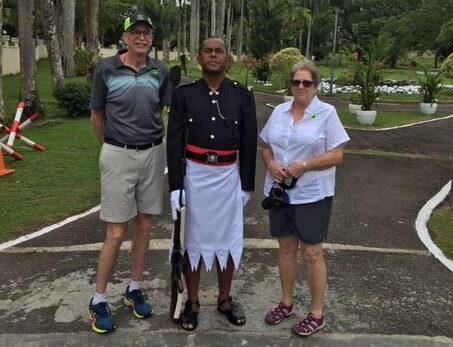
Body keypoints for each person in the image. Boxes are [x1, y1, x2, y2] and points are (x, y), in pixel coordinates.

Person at [167, 36, 257, 331]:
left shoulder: (241, 96)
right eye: (208, 51)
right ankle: (192, 302)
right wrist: (176, 186)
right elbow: (175, 142)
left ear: (226, 58)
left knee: (227, 242)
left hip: (228, 177)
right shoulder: (184, 96)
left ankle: (224, 300)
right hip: (195, 176)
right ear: (199, 57)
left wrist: (246, 184)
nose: (214, 55)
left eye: (219, 51)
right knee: (191, 242)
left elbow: (248, 142)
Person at [88, 13, 170, 334]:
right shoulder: (107, 69)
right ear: (124, 38)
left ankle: (133, 288)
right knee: (117, 231)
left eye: (146, 33)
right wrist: (111, 147)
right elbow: (97, 115)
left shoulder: (159, 71)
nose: (141, 37)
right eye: (135, 32)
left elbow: (160, 110)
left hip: (152, 153)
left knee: (146, 224)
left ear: (151, 38)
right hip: (117, 153)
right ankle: (98, 299)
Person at [260, 60, 349, 337]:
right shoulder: (279, 112)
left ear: (315, 86)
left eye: (306, 83)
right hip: (280, 193)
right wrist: (271, 164)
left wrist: (305, 165)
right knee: (286, 249)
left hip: (312, 194)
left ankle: (316, 313)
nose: (300, 87)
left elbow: (337, 155)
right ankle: (286, 303)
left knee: (311, 253)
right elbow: (265, 146)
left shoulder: (327, 113)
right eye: (296, 82)